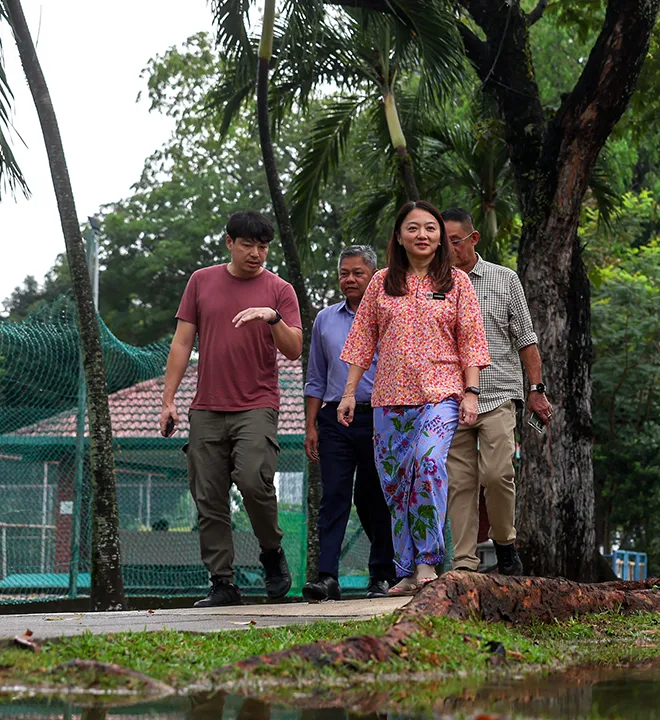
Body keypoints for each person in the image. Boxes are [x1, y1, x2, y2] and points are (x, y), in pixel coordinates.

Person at [338, 200, 490, 596]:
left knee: (427, 466)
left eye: (430, 228)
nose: (422, 235)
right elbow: (361, 341)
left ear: (440, 237)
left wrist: (471, 393)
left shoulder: (456, 282)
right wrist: (349, 393)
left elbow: (472, 342)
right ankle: (405, 570)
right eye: (413, 228)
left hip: (440, 396)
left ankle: (427, 561)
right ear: (399, 237)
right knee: (395, 483)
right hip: (389, 400)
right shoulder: (381, 283)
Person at [159, 210, 301, 607]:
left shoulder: (279, 290)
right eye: (248, 245)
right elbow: (182, 344)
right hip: (206, 407)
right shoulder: (201, 281)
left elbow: (293, 349)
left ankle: (271, 552)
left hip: (256, 404)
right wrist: (168, 401)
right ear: (229, 243)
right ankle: (222, 582)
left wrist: (271, 317)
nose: (257, 253)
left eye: (263, 246)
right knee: (208, 496)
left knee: (255, 480)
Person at [442, 208, 552, 575]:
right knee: (459, 483)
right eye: (443, 242)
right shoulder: (433, 285)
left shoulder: (504, 279)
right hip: (450, 399)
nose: (448, 248)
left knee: (497, 474)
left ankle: (505, 544)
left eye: (453, 241)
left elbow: (526, 339)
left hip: (498, 394)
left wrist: (536, 389)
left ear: (473, 239)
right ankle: (464, 563)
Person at [301, 246, 395, 602]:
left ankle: (382, 575)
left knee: (374, 499)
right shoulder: (325, 319)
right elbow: (315, 378)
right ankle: (327, 577)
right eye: (344, 273)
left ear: (374, 274)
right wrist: (311, 426)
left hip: (380, 416)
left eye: (357, 272)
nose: (350, 279)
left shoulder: (390, 314)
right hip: (334, 419)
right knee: (334, 497)